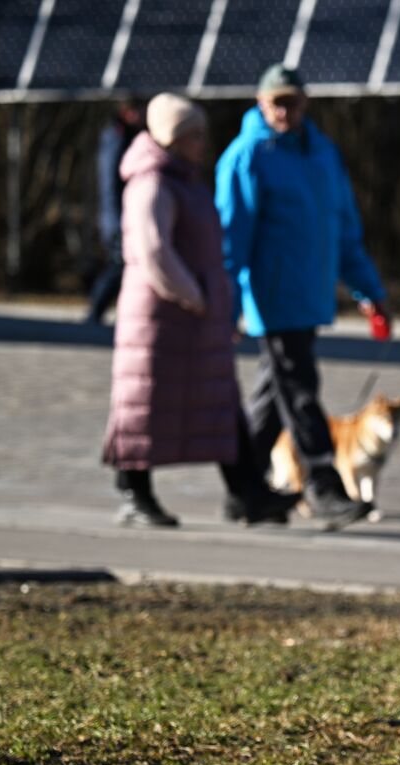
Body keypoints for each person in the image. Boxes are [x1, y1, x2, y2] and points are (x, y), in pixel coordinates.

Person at [101, 94, 299, 529]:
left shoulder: (185, 180)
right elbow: (153, 252)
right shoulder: (151, 183)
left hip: (193, 316)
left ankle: (249, 492)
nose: (201, 143)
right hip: (160, 318)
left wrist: (213, 305)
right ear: (172, 137)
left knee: (221, 404)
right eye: (193, 135)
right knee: (144, 406)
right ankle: (134, 493)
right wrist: (199, 298)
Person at [215, 65, 392, 530]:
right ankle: (323, 485)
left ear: (304, 103)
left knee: (273, 395)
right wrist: (228, 307)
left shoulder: (322, 155)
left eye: (291, 101)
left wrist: (368, 291)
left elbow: (344, 230)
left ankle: (245, 490)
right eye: (276, 101)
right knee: (300, 392)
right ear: (260, 101)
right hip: (271, 299)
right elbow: (231, 242)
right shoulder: (247, 157)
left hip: (309, 297)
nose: (283, 111)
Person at [86, 99, 145, 324]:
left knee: (118, 263)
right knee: (118, 263)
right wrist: (119, 217)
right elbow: (110, 183)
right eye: (138, 111)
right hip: (118, 215)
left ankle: (97, 310)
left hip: (121, 214)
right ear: (126, 111)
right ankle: (95, 310)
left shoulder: (124, 136)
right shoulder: (116, 138)